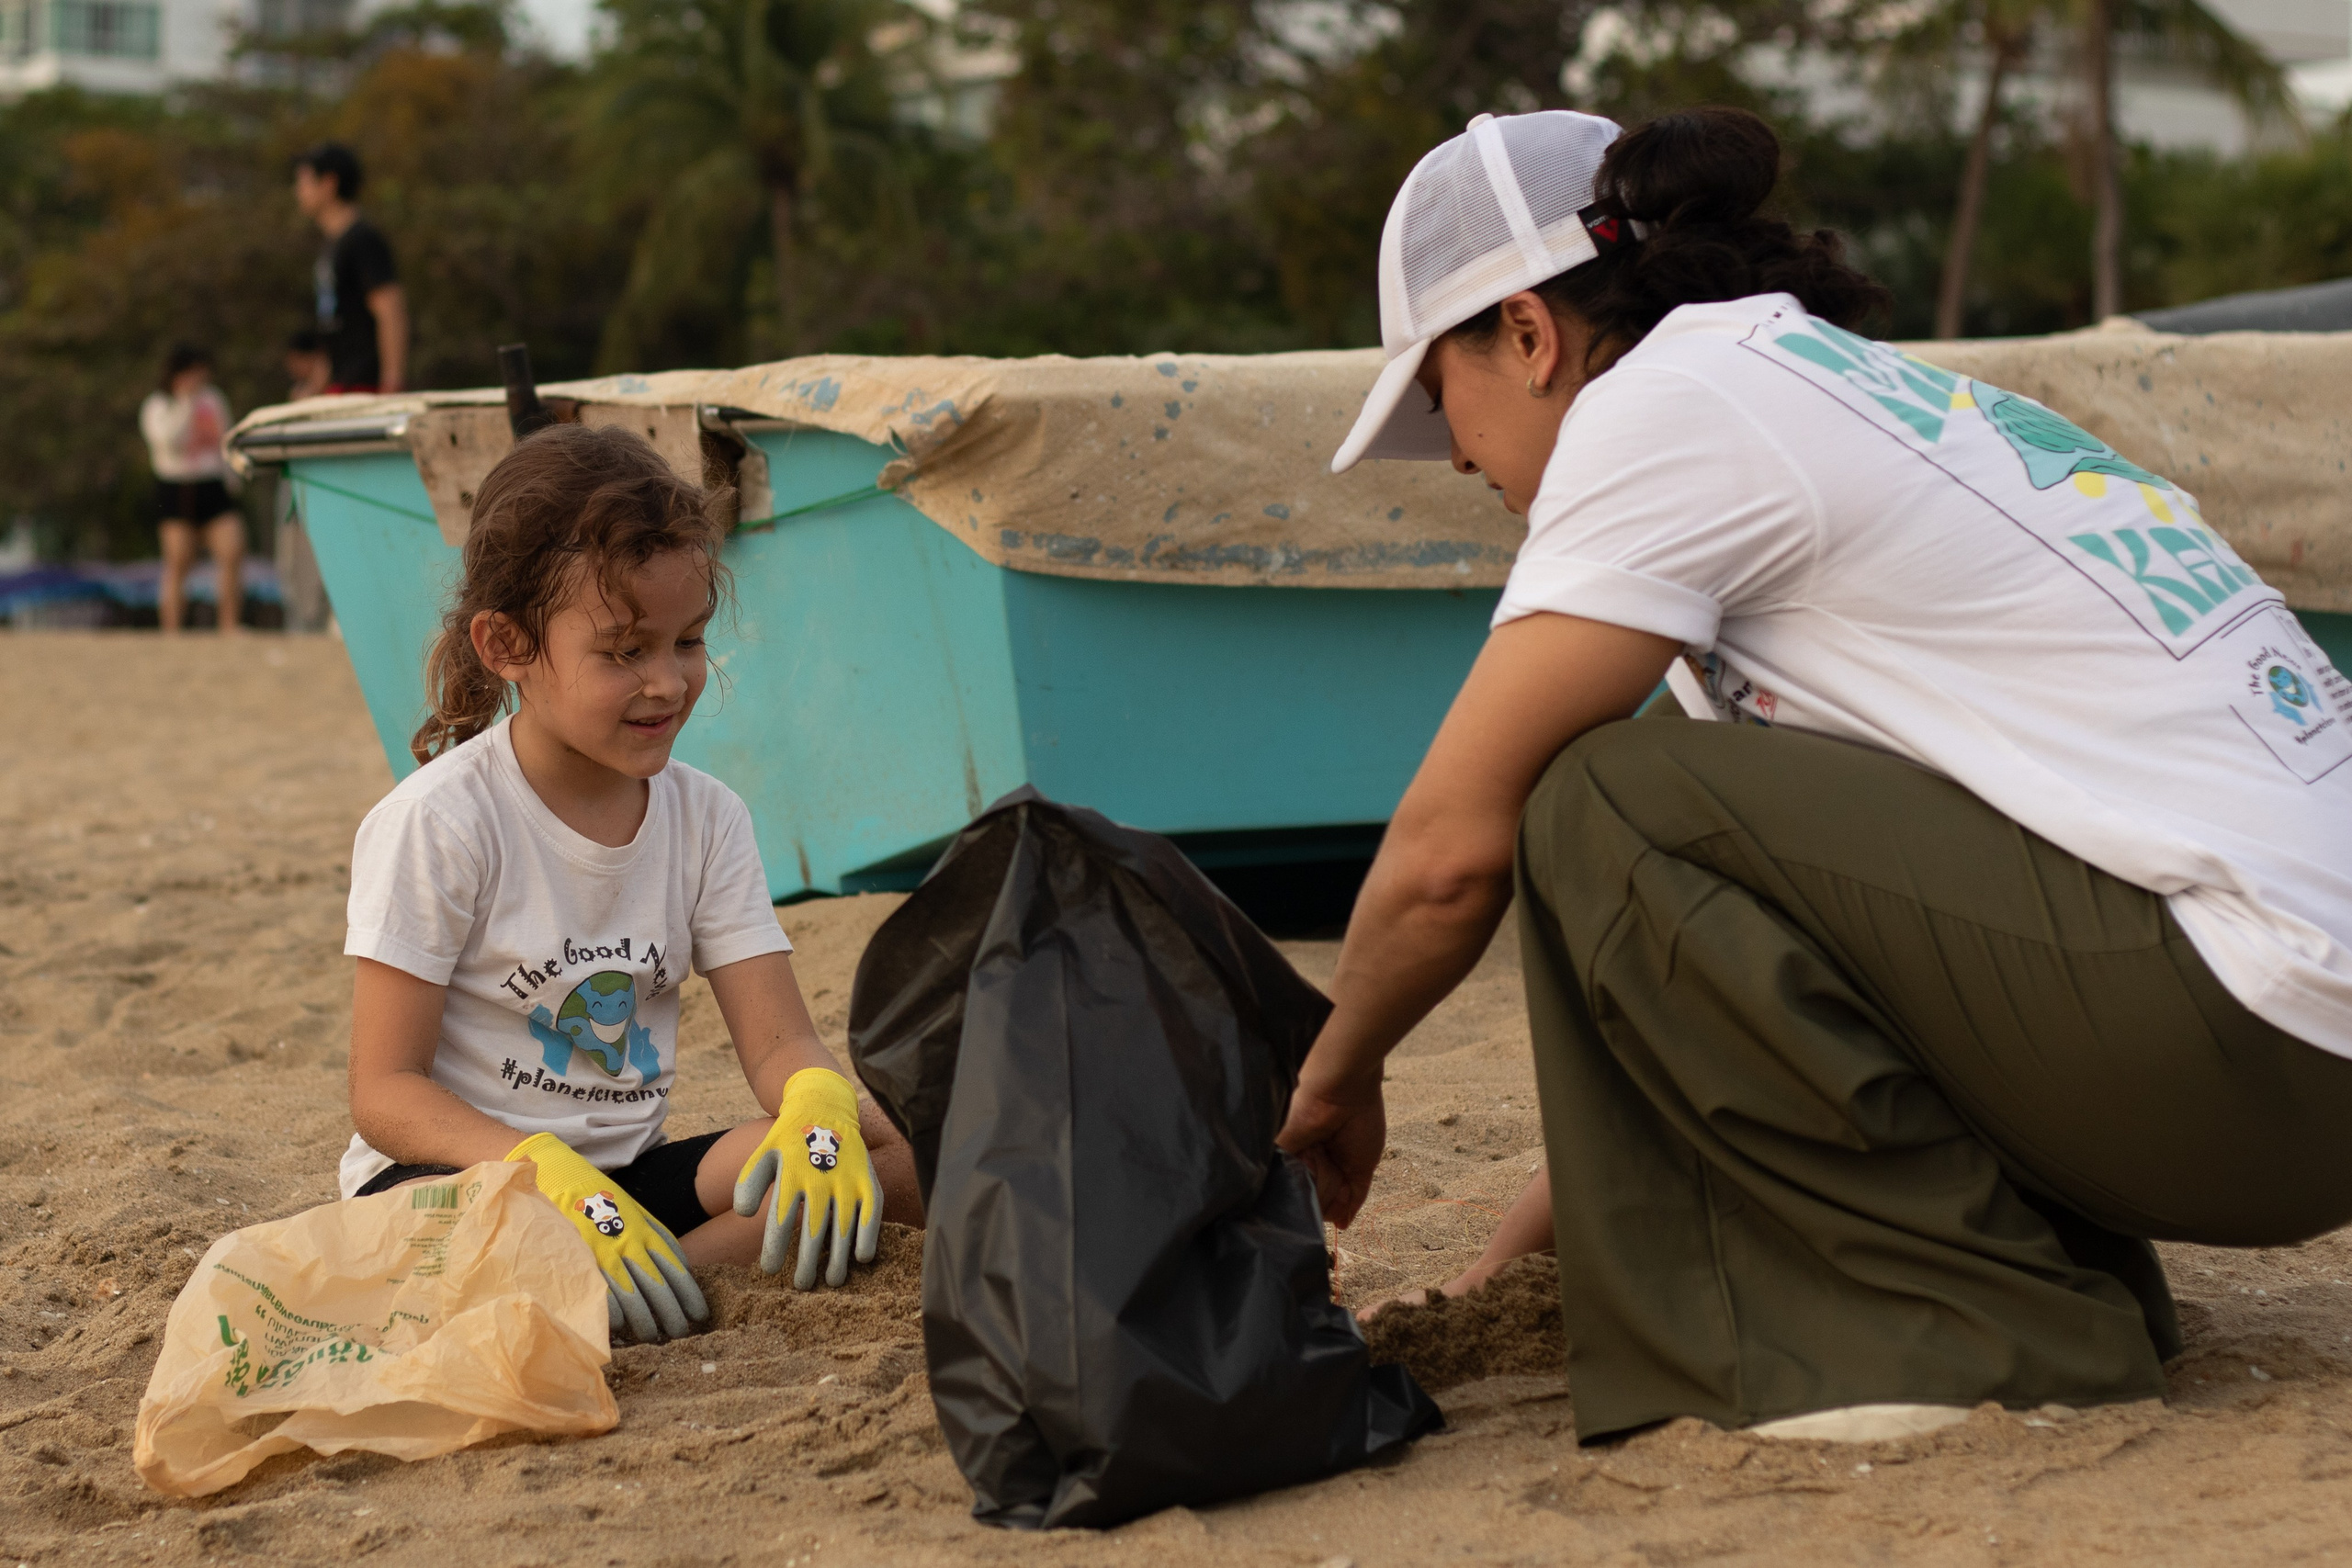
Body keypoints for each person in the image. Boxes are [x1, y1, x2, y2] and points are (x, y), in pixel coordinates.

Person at [1279, 107, 2352, 1444]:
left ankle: (1991, 1334)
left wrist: (1337, 1069)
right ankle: (2039, 1278)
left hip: (2247, 1034)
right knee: (1658, 781)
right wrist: (1512, 1267)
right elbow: (1742, 987)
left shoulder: (1663, 411)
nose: (1450, 453)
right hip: (2286, 1069)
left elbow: (1452, 850)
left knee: (1604, 792)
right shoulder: (1824, 385)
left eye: (1441, 397)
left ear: (1531, 336)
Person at [338, 423, 922, 1343]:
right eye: (622, 652)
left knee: (887, 1148)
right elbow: (386, 1091)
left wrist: (814, 1109)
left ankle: (652, 1279)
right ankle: (617, 1279)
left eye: (687, 641)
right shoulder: (441, 821)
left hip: (619, 1188)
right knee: (496, 1244)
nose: (667, 682)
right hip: (463, 1186)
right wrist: (540, 1171)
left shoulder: (707, 817)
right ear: (506, 643)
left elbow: (781, 1048)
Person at [140, 344, 243, 635]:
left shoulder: (213, 399)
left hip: (212, 485)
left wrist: (232, 477)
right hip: (176, 488)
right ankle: (172, 630)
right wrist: (185, 404)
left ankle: (229, 625)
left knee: (233, 550)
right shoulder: (157, 406)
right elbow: (169, 442)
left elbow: (226, 439)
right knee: (179, 560)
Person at [292, 143, 407, 395]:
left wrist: (392, 381)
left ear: (329, 183)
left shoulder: (363, 239)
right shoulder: (331, 247)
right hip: (341, 383)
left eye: (305, 182)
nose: (298, 191)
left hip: (366, 384)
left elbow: (390, 309)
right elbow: (334, 327)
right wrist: (313, 388)